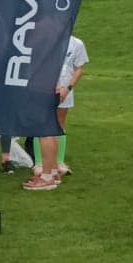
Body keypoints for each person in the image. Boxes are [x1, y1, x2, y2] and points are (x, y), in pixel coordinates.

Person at [24, 32, 89, 191]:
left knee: (53, 127)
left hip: (57, 89)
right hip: (49, 87)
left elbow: (78, 68)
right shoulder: (45, 40)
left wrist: (66, 88)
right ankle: (45, 166)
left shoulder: (76, 43)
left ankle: (51, 170)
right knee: (45, 128)